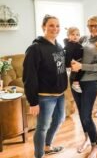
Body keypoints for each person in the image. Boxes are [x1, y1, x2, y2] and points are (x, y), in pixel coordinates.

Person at [23, 14, 68, 158]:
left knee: (60, 119)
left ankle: (47, 146)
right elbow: (29, 77)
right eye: (51, 25)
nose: (55, 28)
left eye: (57, 25)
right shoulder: (35, 48)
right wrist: (33, 102)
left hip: (60, 94)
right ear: (44, 27)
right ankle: (39, 155)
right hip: (44, 96)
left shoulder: (59, 46)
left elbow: (58, 66)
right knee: (42, 127)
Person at [71, 16, 97, 158]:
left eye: (96, 25)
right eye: (90, 25)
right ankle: (87, 139)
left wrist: (81, 66)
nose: (93, 28)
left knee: (86, 115)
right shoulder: (84, 39)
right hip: (76, 81)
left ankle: (95, 145)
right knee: (81, 114)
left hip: (90, 82)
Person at [64, 27, 84, 93]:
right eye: (73, 34)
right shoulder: (69, 45)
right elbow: (68, 55)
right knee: (80, 71)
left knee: (82, 70)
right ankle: (75, 83)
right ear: (68, 36)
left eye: (77, 35)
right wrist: (68, 65)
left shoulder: (76, 43)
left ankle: (76, 82)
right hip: (76, 61)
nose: (75, 36)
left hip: (79, 60)